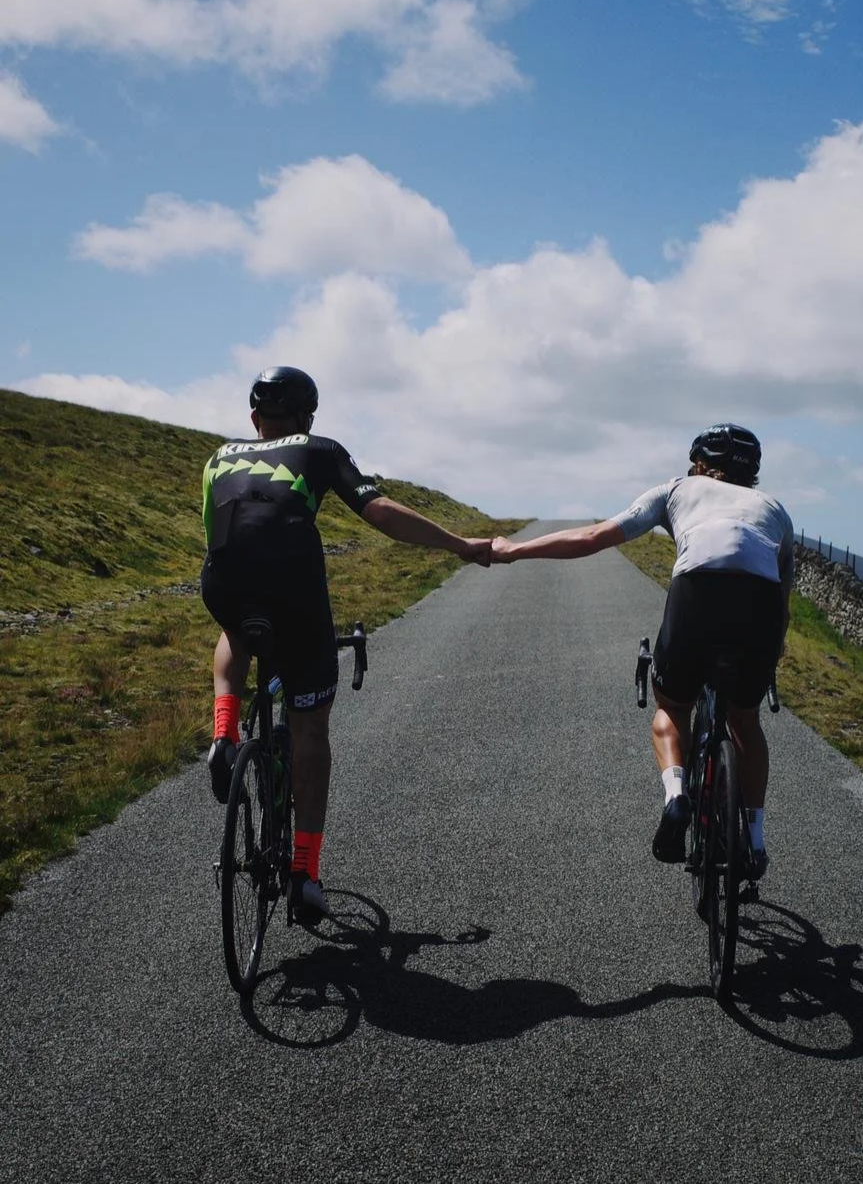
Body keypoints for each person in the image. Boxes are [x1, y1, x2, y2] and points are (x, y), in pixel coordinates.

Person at [201, 366, 492, 922]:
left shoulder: (219, 457)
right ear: (307, 417)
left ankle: (224, 733)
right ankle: (305, 873)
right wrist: (458, 544)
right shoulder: (318, 448)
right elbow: (379, 512)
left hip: (224, 583)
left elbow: (217, 534)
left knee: (234, 629)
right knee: (310, 731)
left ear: (254, 417)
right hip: (294, 593)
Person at [491, 423, 793, 876]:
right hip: (761, 606)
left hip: (698, 591)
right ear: (752, 473)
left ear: (699, 465)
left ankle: (676, 797)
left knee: (672, 707)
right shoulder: (774, 510)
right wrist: (771, 649)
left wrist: (513, 550)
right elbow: (782, 600)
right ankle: (754, 840)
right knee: (745, 720)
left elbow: (593, 537)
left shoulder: (677, 490)